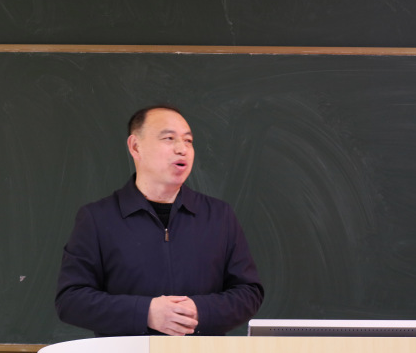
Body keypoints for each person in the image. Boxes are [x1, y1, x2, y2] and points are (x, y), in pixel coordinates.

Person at [55, 105, 264, 337]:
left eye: (188, 141)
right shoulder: (97, 218)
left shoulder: (219, 215)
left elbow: (248, 292)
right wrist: (145, 312)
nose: (182, 149)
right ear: (135, 147)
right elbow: (71, 300)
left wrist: (199, 310)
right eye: (169, 138)